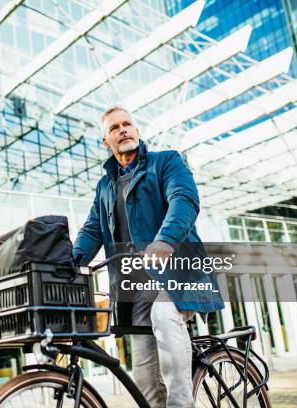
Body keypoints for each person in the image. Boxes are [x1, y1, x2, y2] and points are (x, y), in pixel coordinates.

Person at [72, 106, 224, 407]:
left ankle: (182, 404)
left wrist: (165, 241)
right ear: (106, 141)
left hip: (181, 272)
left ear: (138, 132)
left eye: (128, 124)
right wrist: (72, 262)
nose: (124, 130)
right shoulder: (105, 186)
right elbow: (92, 230)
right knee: (144, 375)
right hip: (137, 288)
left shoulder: (166, 161)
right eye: (115, 128)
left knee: (164, 315)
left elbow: (184, 199)